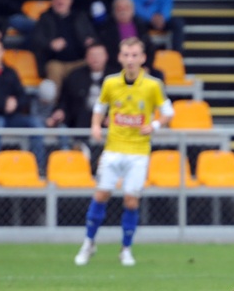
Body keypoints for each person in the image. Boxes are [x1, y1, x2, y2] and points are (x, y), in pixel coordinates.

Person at [74, 37, 173, 268]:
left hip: (138, 152)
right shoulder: (110, 83)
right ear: (120, 57)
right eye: (126, 55)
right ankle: (89, 243)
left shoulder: (152, 85)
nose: (130, 59)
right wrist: (96, 125)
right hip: (113, 149)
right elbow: (100, 107)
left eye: (135, 55)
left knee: (130, 200)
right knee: (101, 195)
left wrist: (155, 125)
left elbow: (168, 112)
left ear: (142, 58)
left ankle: (126, 248)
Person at [0, 39, 46, 171]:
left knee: (35, 123)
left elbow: (23, 97)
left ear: (2, 53)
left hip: (11, 117)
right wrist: (3, 105)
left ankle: (39, 167)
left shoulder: (11, 72)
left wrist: (16, 103)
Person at [46, 43, 110, 154]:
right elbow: (64, 100)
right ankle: (80, 149)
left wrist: (114, 116)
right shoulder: (75, 75)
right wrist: (60, 112)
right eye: (92, 55)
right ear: (86, 57)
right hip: (78, 121)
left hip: (106, 121)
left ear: (106, 56)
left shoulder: (115, 77)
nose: (95, 58)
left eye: (99, 55)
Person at [30, 0, 97, 90]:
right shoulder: (45, 18)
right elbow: (36, 40)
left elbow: (92, 36)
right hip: (56, 63)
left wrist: (90, 42)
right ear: (52, 1)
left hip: (79, 61)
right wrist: (50, 44)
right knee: (54, 69)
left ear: (70, 0)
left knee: (93, 64)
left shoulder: (80, 16)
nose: (60, 1)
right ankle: (56, 105)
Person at [97, 0, 154, 74]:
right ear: (114, 11)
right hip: (115, 67)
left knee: (158, 75)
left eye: (126, 8)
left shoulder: (140, 25)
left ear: (132, 10)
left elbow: (150, 49)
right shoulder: (106, 28)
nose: (123, 11)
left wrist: (146, 66)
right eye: (119, 8)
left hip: (140, 66)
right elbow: (107, 52)